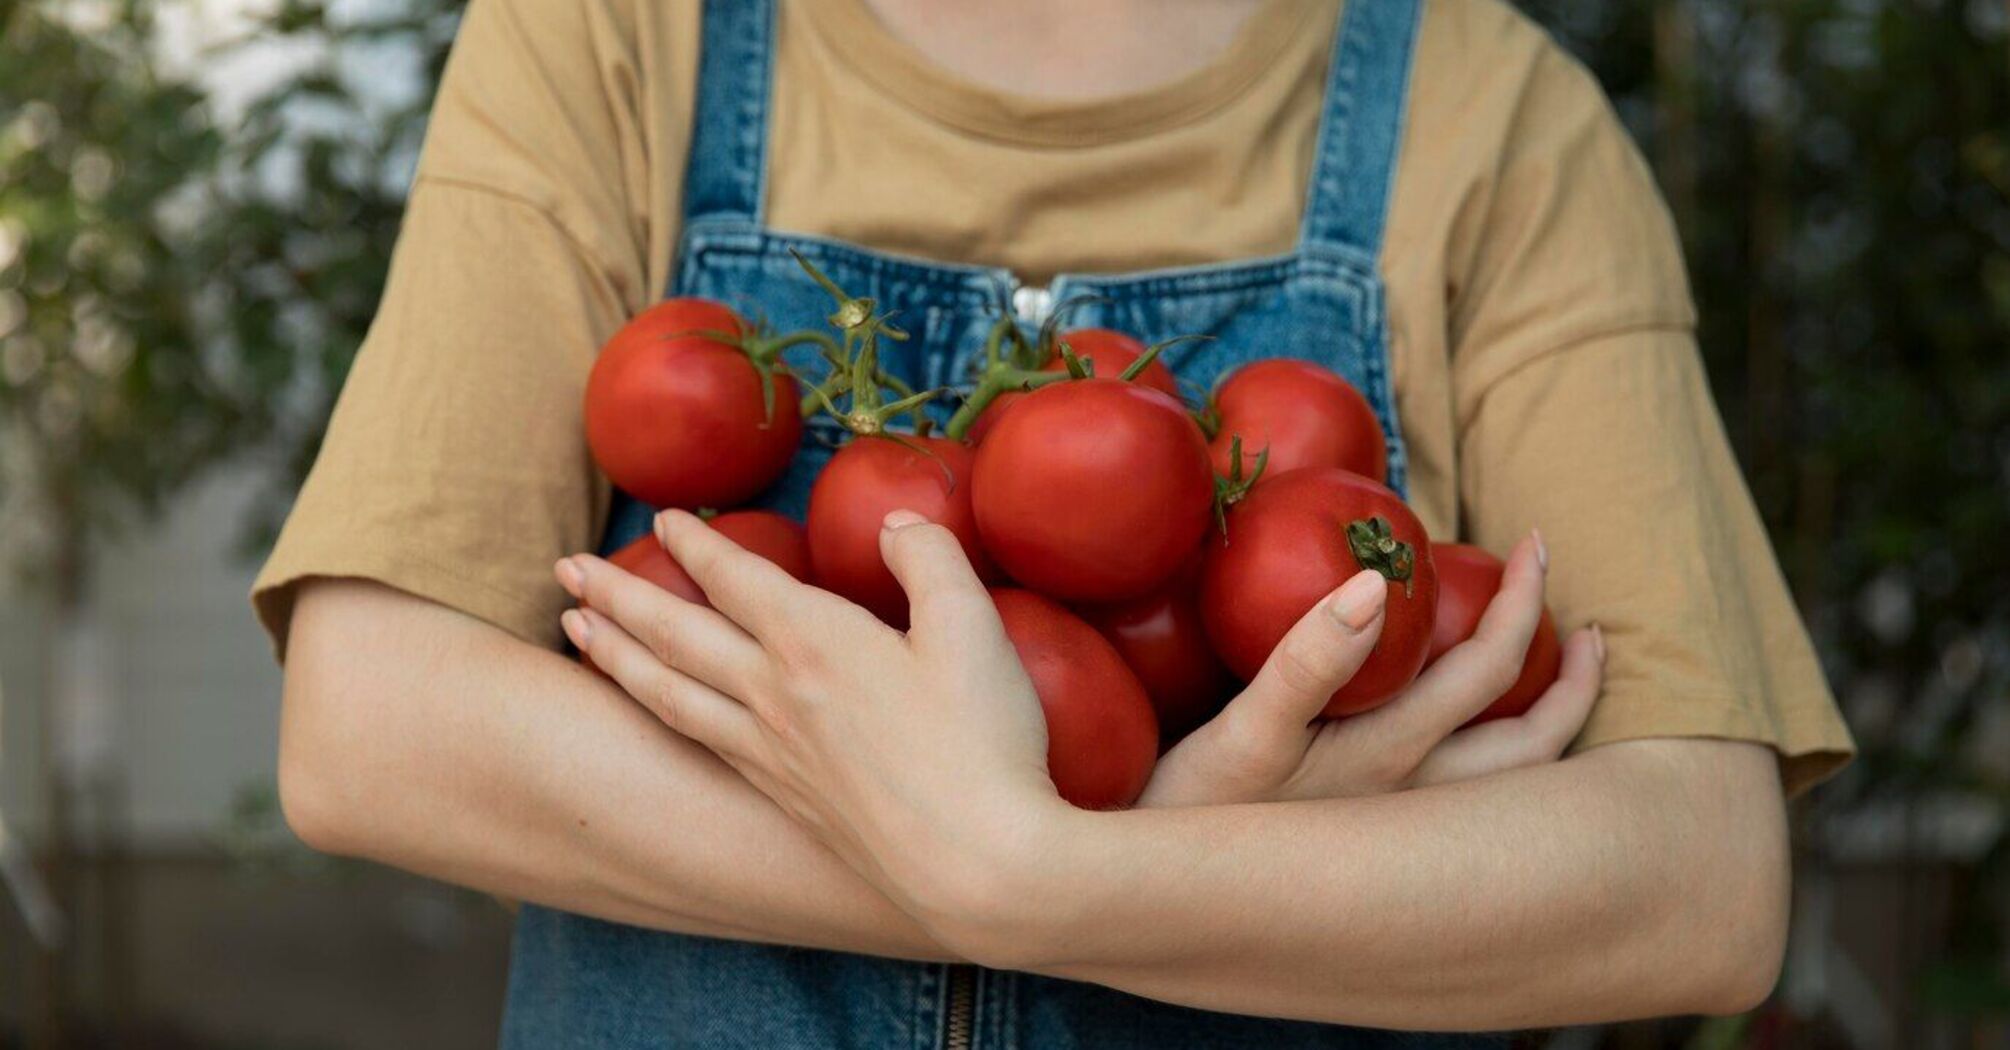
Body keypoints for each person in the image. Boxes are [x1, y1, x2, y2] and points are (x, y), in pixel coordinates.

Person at [253, 0, 1856, 1046]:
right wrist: (1049, 854)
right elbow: (372, 720)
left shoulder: (1491, 118)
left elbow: (1696, 879)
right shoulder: (615, 38)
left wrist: (1044, 877)